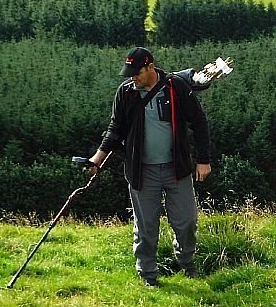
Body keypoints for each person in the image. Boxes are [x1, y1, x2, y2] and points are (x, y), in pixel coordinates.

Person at [87, 46, 212, 287]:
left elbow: (199, 122)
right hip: (142, 171)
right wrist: (97, 159)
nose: (133, 77)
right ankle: (148, 274)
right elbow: (115, 129)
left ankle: (186, 262)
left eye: (137, 72)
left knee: (186, 221)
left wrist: (204, 160)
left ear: (150, 67)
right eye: (129, 73)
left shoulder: (177, 88)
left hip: (178, 169)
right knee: (146, 227)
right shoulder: (125, 93)